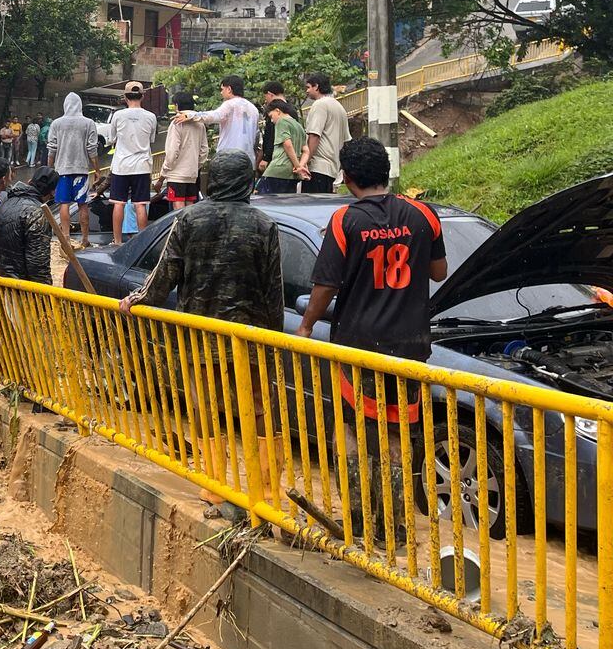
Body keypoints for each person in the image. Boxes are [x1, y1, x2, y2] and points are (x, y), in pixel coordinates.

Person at [299, 137, 448, 543]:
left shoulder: (344, 221)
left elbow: (325, 286)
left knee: (351, 431)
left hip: (359, 348)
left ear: (347, 177)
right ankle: (395, 529)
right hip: (410, 348)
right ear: (387, 170)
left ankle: (359, 520)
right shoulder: (423, 214)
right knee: (397, 434)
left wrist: (307, 326)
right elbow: (438, 272)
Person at [122, 152, 284, 515]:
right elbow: (273, 289)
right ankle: (267, 489)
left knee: (205, 408)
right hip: (250, 336)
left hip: (200, 335)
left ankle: (214, 485)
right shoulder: (264, 225)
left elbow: (166, 274)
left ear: (211, 181)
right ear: (247, 182)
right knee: (261, 408)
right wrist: (274, 339)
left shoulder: (189, 220)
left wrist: (138, 299)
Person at [101, 81, 158, 246]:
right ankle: (142, 243)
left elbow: (111, 138)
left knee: (118, 203)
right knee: (140, 205)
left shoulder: (118, 116)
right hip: (142, 166)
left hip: (121, 166)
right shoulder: (151, 117)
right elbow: (151, 139)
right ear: (143, 96)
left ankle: (117, 241)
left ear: (125, 97)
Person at [47, 92, 100, 246]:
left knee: (64, 204)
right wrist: (97, 170)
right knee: (83, 204)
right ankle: (85, 239)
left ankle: (66, 238)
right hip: (81, 171)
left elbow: (52, 149)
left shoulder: (56, 124)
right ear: (80, 105)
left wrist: (49, 169)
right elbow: (92, 149)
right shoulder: (88, 123)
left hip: (62, 171)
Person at [0, 165, 59, 284]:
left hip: (0, 282)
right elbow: (38, 262)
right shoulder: (37, 213)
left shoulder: (3, 205)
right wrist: (45, 290)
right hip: (23, 286)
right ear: (53, 192)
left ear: (30, 181)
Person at [174, 74, 260, 165]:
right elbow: (256, 136)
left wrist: (191, 115)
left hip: (229, 158)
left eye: (222, 89)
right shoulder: (253, 109)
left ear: (229, 89)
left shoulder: (230, 104)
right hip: (248, 160)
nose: (221, 93)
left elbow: (214, 115)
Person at [297, 71, 351, 194]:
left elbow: (314, 135)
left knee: (312, 204)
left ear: (316, 86)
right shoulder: (339, 107)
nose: (307, 91)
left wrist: (305, 161)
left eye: (308, 87)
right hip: (332, 169)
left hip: (317, 167)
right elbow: (347, 140)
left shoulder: (319, 105)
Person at [158, 91, 208, 209]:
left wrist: (164, 171)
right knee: (190, 205)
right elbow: (204, 151)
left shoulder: (176, 123)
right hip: (192, 174)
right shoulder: (200, 124)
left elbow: (172, 151)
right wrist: (196, 166)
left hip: (176, 174)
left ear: (177, 105)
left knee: (178, 205)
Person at [258, 100, 308, 194]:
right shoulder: (299, 126)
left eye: (271, 116)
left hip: (277, 171)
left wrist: (298, 167)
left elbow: (287, 144)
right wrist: (300, 166)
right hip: (292, 175)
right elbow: (306, 151)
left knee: (263, 200)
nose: (272, 120)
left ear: (277, 111)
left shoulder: (281, 121)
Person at [257, 81, 287, 173]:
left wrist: (266, 157)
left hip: (275, 158)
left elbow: (272, 135)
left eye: (265, 96)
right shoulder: (291, 109)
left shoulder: (276, 111)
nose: (266, 100)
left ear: (270, 94)